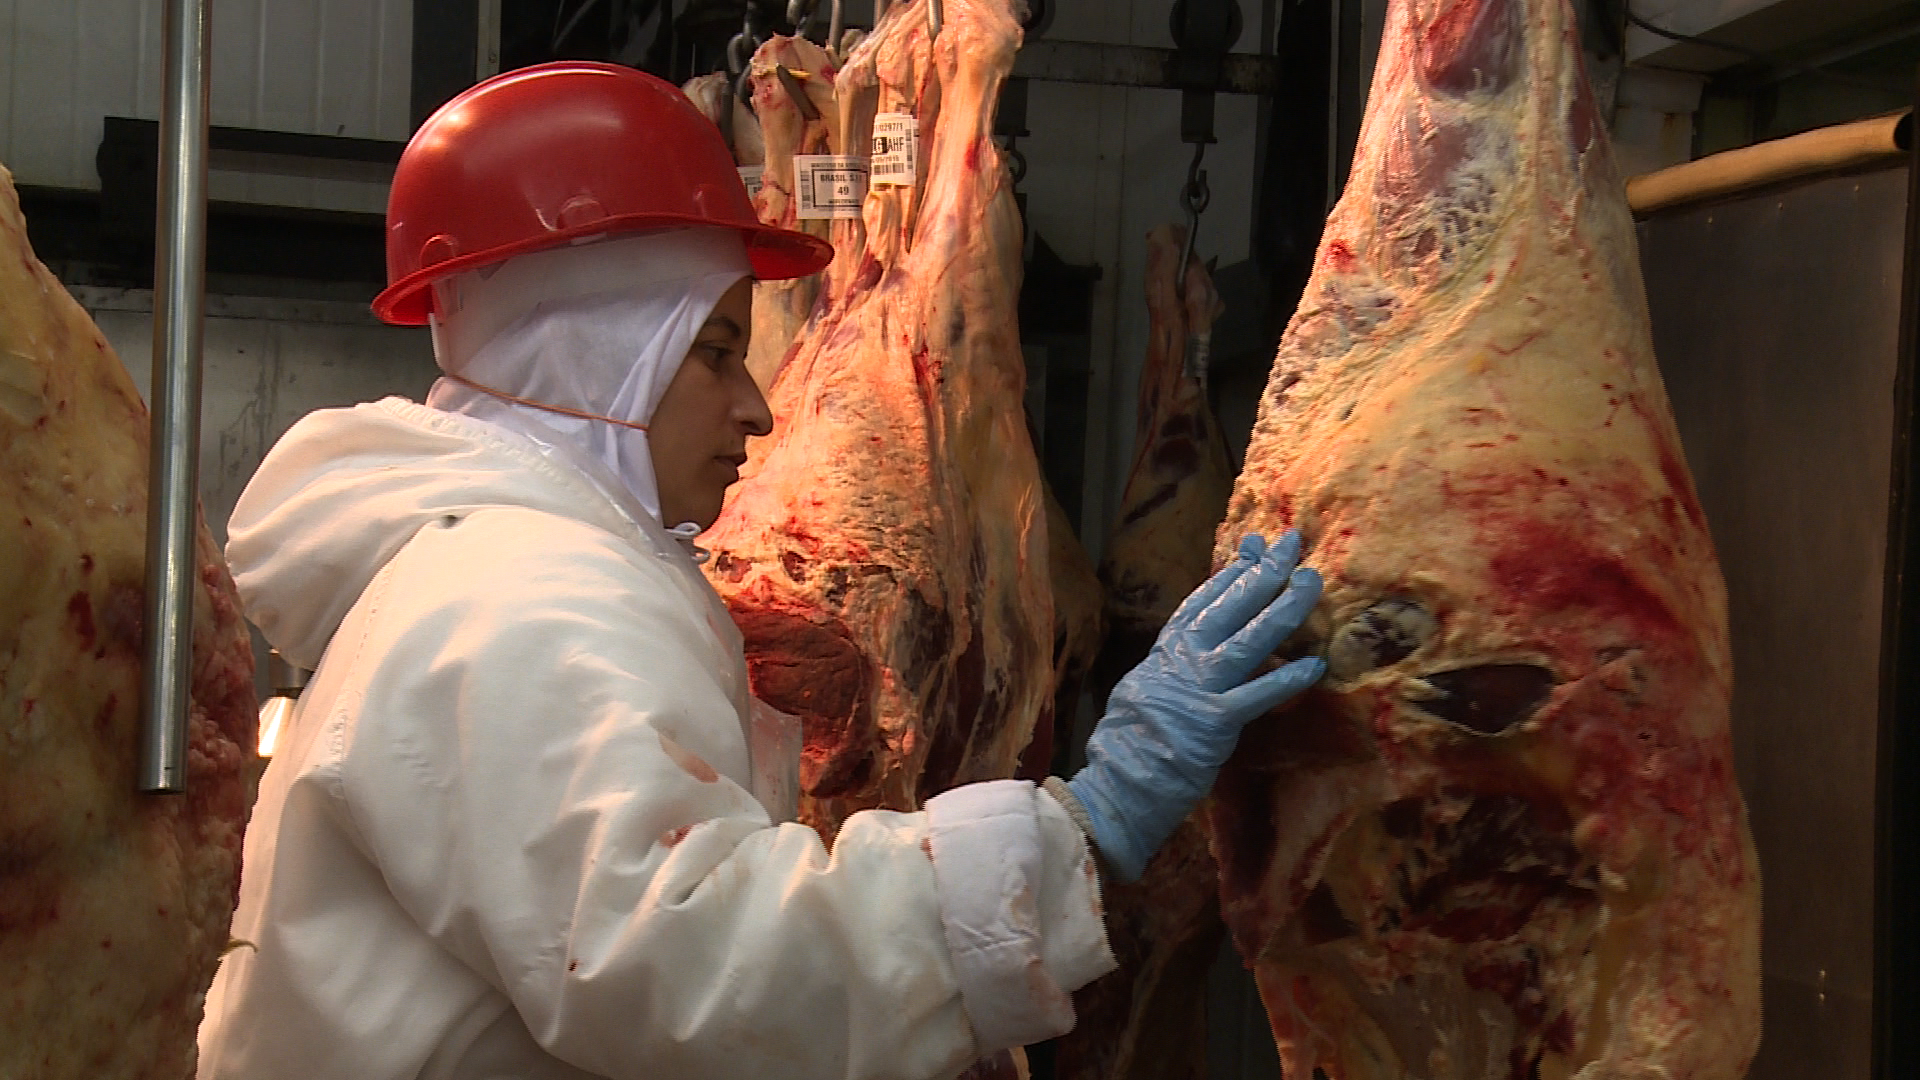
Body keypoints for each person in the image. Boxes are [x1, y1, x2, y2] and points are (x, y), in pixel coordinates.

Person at [196, 62, 1325, 1080]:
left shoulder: (495, 567)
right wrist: (1083, 823)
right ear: (595, 355)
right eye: (719, 351)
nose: (757, 404)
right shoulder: (520, 604)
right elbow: (696, 969)